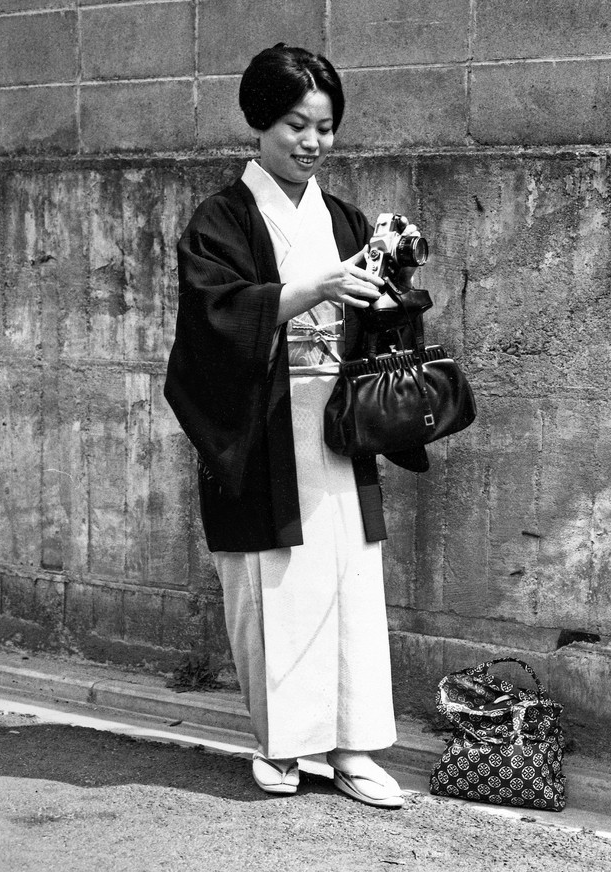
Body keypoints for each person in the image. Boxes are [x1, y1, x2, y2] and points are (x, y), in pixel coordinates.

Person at [165, 44, 424, 808]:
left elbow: (382, 319)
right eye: (293, 124)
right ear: (258, 121)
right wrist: (310, 285)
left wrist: (388, 297)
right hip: (260, 423)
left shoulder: (342, 215)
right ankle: (282, 743)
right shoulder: (222, 217)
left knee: (347, 585)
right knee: (271, 587)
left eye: (325, 127)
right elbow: (211, 319)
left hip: (337, 427)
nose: (311, 143)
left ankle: (351, 747)